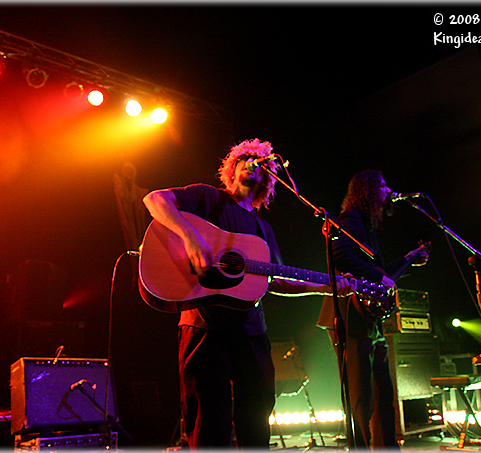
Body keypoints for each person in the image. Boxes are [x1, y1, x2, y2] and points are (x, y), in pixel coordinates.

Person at [142, 138, 356, 450]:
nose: (251, 165)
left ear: (268, 177)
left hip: (251, 330)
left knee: (257, 414)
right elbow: (154, 199)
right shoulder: (207, 197)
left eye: (260, 163)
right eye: (245, 159)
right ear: (232, 167)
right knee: (208, 416)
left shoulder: (262, 230)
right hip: (205, 325)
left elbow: (277, 281)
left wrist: (326, 285)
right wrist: (190, 237)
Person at [317, 169, 429, 450]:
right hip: (349, 315)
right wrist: (378, 276)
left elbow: (380, 274)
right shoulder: (351, 218)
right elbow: (340, 255)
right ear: (367, 191)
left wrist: (409, 259)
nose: (388, 190)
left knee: (383, 393)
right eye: (382, 185)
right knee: (361, 395)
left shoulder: (366, 225)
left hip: (368, 319)